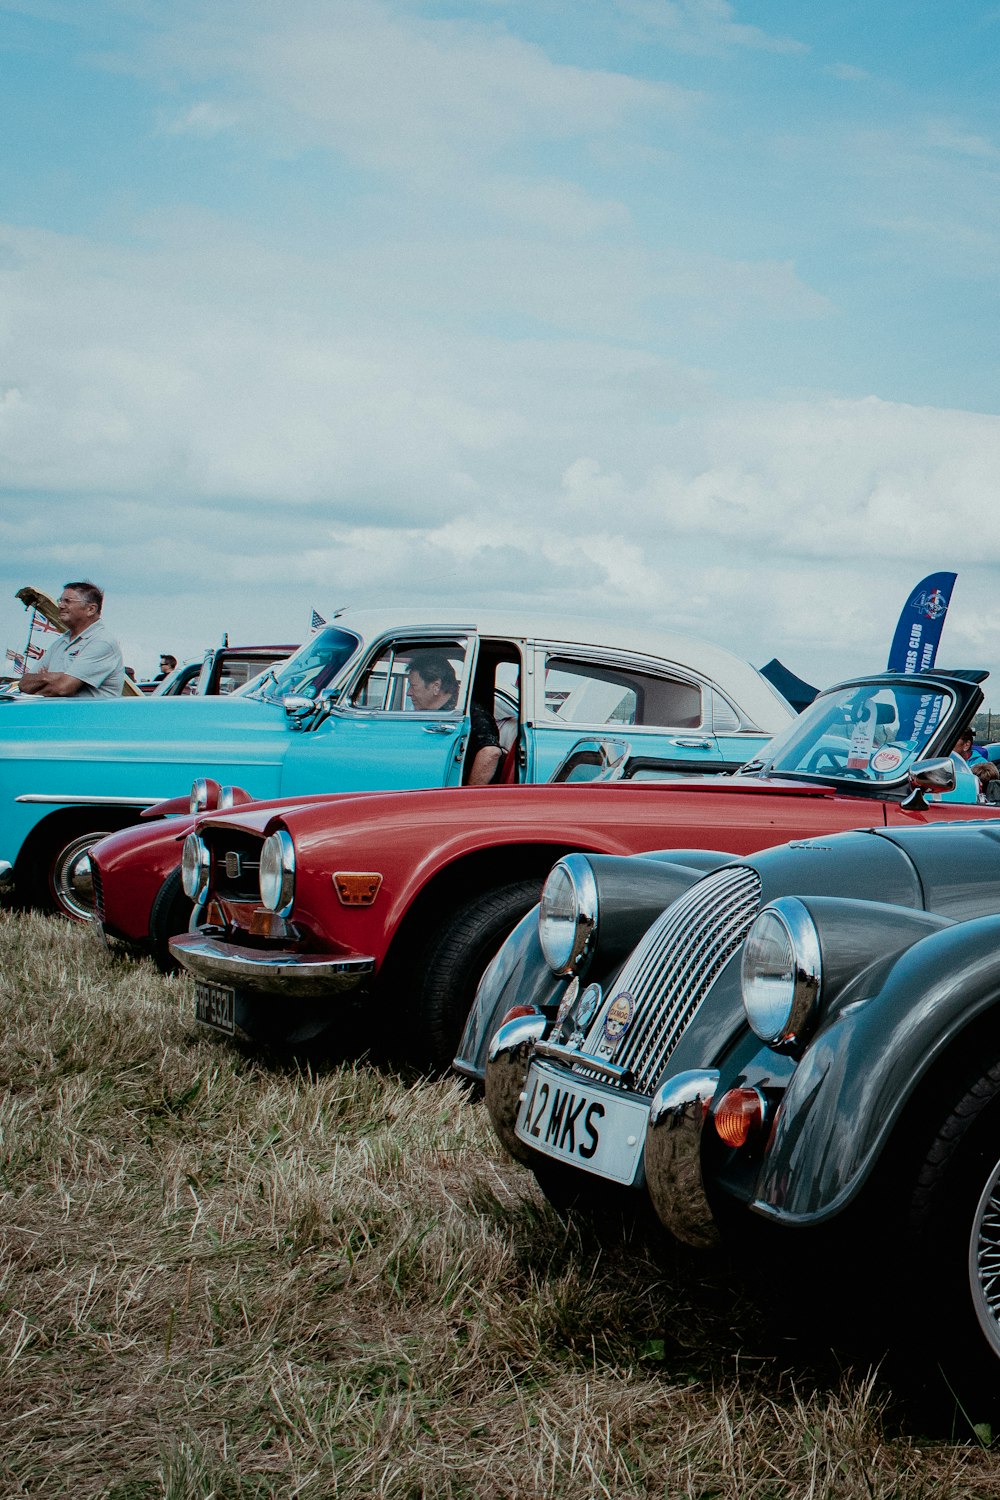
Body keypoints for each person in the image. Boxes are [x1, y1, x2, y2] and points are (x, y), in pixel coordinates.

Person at [406, 650, 503, 786]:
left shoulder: (472, 713)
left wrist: (466, 797)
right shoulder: (436, 712)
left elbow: (491, 752)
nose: (408, 693)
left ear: (436, 686)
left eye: (413, 686)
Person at [19, 581, 125, 699]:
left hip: (89, 716)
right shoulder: (60, 643)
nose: (60, 606)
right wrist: (58, 677)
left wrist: (44, 679)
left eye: (67, 601)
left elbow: (63, 688)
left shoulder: (102, 642)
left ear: (91, 609)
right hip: (58, 714)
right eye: (61, 600)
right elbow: (24, 683)